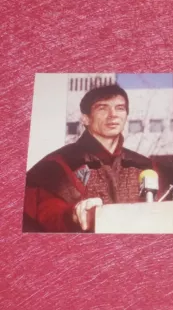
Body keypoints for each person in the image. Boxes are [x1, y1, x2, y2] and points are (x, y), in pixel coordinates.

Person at [23, 84, 157, 232]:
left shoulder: (144, 165)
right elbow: (48, 213)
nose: (113, 114)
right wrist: (73, 215)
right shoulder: (57, 164)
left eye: (120, 108)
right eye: (102, 108)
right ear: (85, 119)